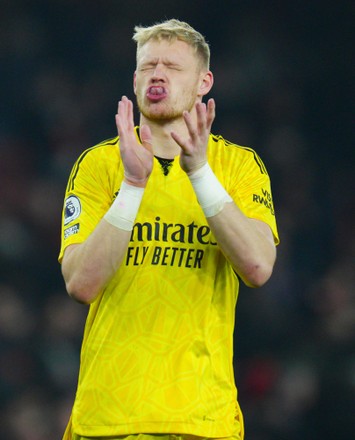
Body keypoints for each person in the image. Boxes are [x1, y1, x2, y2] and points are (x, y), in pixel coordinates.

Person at [59, 18, 279, 440]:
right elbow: (81, 284)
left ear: (203, 82)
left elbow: (258, 266)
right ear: (136, 79)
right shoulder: (98, 166)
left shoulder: (237, 167)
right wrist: (132, 185)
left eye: (172, 67)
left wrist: (198, 172)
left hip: (201, 420)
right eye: (147, 66)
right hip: (108, 418)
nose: (157, 74)